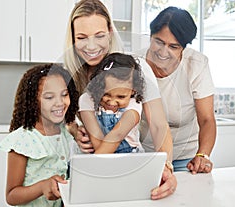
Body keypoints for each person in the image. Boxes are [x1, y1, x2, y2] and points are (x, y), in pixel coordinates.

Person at [64, 0, 176, 199]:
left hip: (127, 165)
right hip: (84, 169)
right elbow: (64, 120)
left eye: (99, 36)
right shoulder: (70, 73)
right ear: (72, 39)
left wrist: (166, 167)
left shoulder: (136, 68)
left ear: (110, 31)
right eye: (82, 37)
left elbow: (159, 125)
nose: (91, 46)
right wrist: (73, 130)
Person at [138, 6, 216, 173]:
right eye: (158, 42)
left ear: (183, 47)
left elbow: (207, 120)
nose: (163, 52)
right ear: (150, 36)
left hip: (185, 157)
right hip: (144, 154)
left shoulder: (196, 65)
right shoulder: (136, 64)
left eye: (173, 46)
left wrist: (203, 155)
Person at [0, 63, 79, 207]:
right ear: (32, 102)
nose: (59, 103)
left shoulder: (65, 132)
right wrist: (42, 187)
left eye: (64, 95)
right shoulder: (22, 140)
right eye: (49, 97)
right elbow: (11, 196)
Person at [79, 52, 145, 154]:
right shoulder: (87, 100)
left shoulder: (134, 104)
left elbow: (117, 135)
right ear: (98, 85)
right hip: (100, 152)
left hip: (131, 157)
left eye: (121, 97)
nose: (112, 102)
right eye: (106, 94)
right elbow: (96, 136)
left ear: (133, 90)